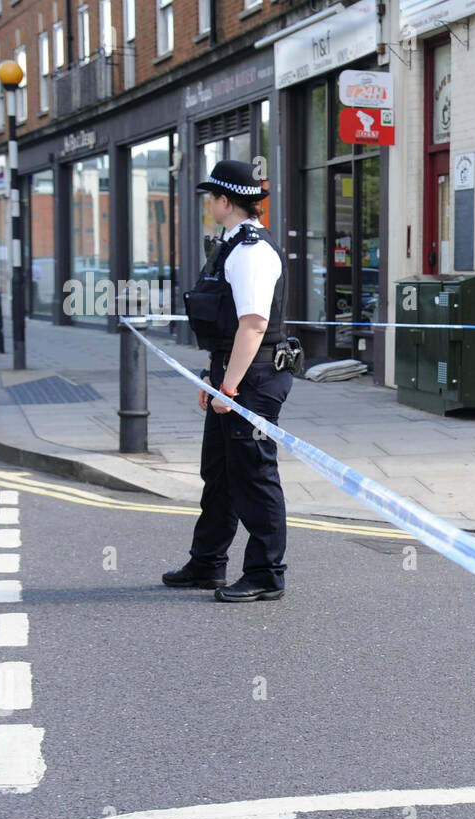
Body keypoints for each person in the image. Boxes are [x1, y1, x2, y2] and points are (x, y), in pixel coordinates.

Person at [162, 159, 293, 602]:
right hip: (230, 369)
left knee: (254, 474)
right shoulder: (230, 246)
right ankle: (207, 563)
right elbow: (225, 323)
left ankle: (265, 574)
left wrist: (230, 387)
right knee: (218, 473)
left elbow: (254, 325)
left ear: (224, 200)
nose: (208, 204)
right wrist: (210, 374)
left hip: (253, 378)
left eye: (211, 197)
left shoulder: (252, 251)